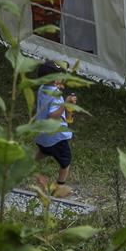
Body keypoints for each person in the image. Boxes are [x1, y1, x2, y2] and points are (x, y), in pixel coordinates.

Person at [30, 59, 75, 197]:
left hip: (42, 135)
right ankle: (59, 187)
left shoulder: (42, 89)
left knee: (43, 151)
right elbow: (53, 116)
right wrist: (65, 103)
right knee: (65, 161)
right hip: (55, 136)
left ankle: (23, 166)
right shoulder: (55, 95)